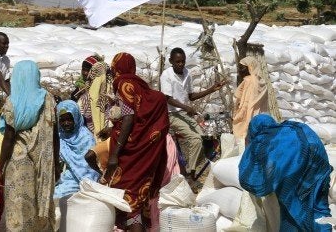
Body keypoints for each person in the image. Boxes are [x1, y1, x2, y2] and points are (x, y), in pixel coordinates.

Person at [105, 52, 169, 231]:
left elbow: (129, 118)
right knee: (135, 200)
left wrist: (115, 154)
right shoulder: (140, 85)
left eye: (112, 70)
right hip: (145, 150)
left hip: (130, 151)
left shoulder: (124, 85)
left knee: (128, 198)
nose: (112, 74)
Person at [239, 114, 332, 231]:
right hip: (319, 163)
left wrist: (249, 146)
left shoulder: (265, 140)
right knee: (318, 206)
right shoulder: (287, 128)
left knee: (292, 211)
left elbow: (251, 180)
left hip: (300, 166)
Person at [0, 60, 57, 231]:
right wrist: (56, 167)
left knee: (19, 205)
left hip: (18, 161)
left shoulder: (12, 101)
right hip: (43, 161)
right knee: (39, 203)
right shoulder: (48, 99)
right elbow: (55, 135)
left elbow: (8, 138)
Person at [159, 47, 225, 180]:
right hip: (172, 115)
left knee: (203, 137)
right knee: (195, 139)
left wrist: (212, 89)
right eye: (177, 62)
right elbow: (167, 98)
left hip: (184, 114)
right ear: (171, 61)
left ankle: (192, 167)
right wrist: (186, 108)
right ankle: (190, 173)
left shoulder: (187, 73)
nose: (181, 64)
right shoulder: (166, 75)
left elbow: (191, 96)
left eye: (182, 61)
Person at [54, 100, 99, 199]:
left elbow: (89, 169)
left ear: (76, 118)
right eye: (62, 120)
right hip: (60, 176)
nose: (66, 123)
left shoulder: (86, 137)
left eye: (70, 119)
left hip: (79, 179)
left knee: (56, 195)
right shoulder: (59, 137)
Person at [232, 56, 268, 140]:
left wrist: (237, 116)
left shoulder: (249, 82)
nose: (240, 71)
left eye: (242, 68)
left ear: (250, 68)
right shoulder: (260, 81)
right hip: (259, 118)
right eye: (239, 68)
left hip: (248, 117)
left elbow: (246, 103)